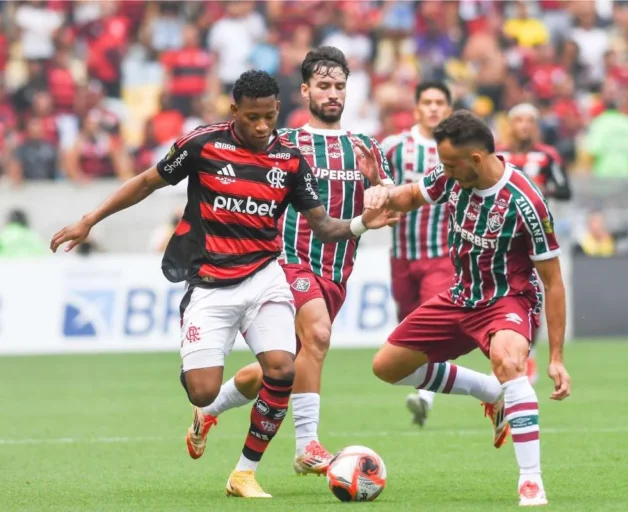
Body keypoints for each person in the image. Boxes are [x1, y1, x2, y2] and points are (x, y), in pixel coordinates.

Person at [50, 70, 396, 499]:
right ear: (235, 110)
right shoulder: (202, 145)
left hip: (266, 277)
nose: (262, 126)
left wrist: (362, 223)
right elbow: (146, 182)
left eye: (269, 116)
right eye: (252, 117)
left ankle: (244, 473)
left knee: (283, 369)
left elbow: (323, 226)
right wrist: (89, 220)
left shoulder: (289, 160)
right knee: (203, 390)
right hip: (211, 283)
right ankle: (207, 408)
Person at [183, 46, 394, 477]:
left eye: (339, 86)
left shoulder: (365, 146)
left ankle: (209, 410)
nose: (333, 93)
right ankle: (307, 445)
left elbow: (389, 204)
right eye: (324, 85)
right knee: (318, 334)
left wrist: (381, 186)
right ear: (305, 91)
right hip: (287, 262)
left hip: (336, 271)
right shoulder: (284, 142)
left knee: (279, 369)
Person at [364, 110, 571, 506]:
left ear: (475, 158)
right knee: (386, 367)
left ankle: (531, 481)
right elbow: (412, 195)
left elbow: (553, 281)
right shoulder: (452, 175)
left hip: (506, 300)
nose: (444, 172)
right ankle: (490, 392)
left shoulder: (526, 202)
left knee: (509, 362)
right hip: (459, 295)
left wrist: (557, 357)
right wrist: (383, 194)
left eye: (449, 165)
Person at [380, 81, 456, 427]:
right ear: (416, 109)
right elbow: (374, 182)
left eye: (440, 102)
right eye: (428, 102)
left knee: (432, 325)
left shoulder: (456, 149)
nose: (434, 108)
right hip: (402, 255)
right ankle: (427, 388)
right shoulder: (395, 147)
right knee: (408, 328)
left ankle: (425, 397)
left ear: (449, 110)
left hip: (441, 255)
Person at [498, 102, 572, 384]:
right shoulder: (498, 154)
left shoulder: (547, 155)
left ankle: (529, 356)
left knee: (537, 294)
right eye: (519, 120)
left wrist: (540, 190)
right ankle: (505, 355)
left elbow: (565, 190)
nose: (525, 126)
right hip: (502, 235)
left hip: (536, 234)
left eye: (530, 120)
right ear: (511, 124)